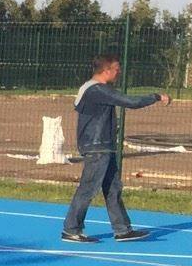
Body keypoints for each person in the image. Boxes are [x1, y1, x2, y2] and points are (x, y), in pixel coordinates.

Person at [61, 53, 170, 242]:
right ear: (106, 70)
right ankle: (71, 229)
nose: (119, 72)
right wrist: (156, 97)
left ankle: (122, 230)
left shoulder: (94, 89)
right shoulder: (97, 90)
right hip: (97, 147)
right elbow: (131, 102)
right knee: (88, 188)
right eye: (117, 69)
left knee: (113, 188)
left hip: (104, 146)